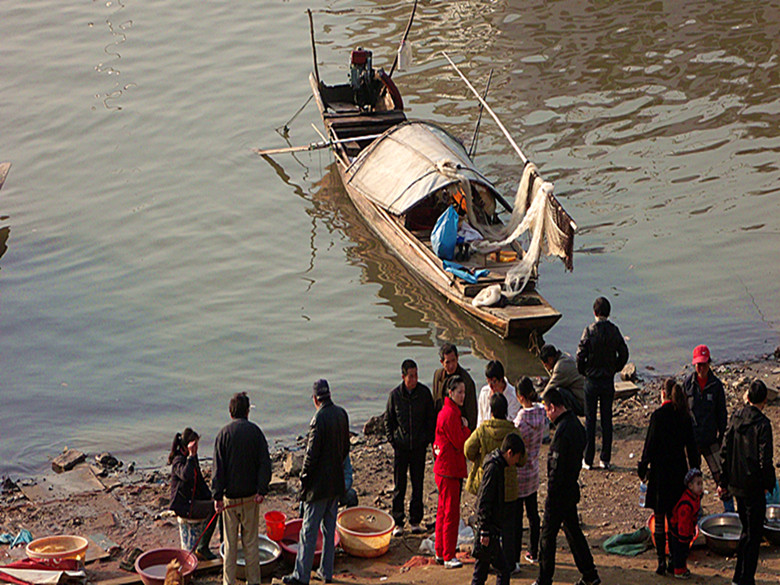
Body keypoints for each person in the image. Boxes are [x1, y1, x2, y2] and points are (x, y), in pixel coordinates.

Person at [284, 380, 350, 585]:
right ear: (329, 395)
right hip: (336, 483)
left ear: (315, 399)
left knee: (309, 531)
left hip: (319, 486)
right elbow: (346, 450)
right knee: (330, 531)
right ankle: (326, 572)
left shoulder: (318, 419)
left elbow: (310, 456)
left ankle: (301, 576)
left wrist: (304, 479)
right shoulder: (341, 414)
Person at [534, 388, 600, 585]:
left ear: (553, 407)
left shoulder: (562, 433)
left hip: (559, 493)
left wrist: (550, 496)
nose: (546, 413)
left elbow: (555, 468)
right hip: (571, 488)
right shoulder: (577, 427)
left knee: (547, 537)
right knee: (573, 533)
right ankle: (590, 575)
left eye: (547, 410)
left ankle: (544, 579)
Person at [637, 379, 700, 575]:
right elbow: (692, 448)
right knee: (675, 519)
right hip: (678, 473)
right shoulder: (684, 416)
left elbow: (649, 446)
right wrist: (696, 473)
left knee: (659, 517)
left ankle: (660, 563)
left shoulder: (658, 416)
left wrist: (642, 469)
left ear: (662, 393)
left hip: (659, 473)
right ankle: (674, 560)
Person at [719, 379, 776, 585]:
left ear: (748, 398)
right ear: (763, 400)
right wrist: (769, 484)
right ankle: (746, 578)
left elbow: (725, 452)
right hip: (753, 486)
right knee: (753, 535)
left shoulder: (735, 418)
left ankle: (738, 577)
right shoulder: (763, 425)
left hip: (737, 484)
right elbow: (764, 460)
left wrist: (723, 481)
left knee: (746, 530)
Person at [212, 392, 272, 585]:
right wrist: (262, 490)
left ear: (231, 413)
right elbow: (265, 463)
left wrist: (217, 497)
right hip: (250, 499)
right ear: (247, 412)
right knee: (251, 544)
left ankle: (229, 583)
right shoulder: (256, 433)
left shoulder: (223, 435)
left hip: (230, 499)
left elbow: (217, 469)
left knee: (229, 546)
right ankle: (253, 582)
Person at [465, 393, 525, 571]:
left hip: (489, 486)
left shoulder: (483, 430)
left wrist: (480, 458)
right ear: (506, 411)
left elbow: (468, 450)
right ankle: (511, 563)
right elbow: (522, 460)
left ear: (491, 411)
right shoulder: (513, 431)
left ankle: (487, 560)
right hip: (510, 490)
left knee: (487, 525)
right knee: (509, 529)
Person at [576, 296, 629, 470]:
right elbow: (624, 352)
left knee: (590, 420)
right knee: (607, 419)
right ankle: (605, 458)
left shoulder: (589, 331)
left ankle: (588, 459)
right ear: (608, 313)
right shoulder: (614, 331)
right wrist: (615, 368)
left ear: (595, 313)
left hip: (591, 380)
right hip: (607, 380)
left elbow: (580, 355)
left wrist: (584, 371)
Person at [385, 359, 435, 536]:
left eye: (416, 375)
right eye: (411, 376)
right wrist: (394, 441)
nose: (414, 379)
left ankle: (415, 521)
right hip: (401, 448)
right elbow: (388, 421)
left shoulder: (424, 394)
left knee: (418, 484)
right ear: (403, 376)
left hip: (419, 447)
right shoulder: (395, 396)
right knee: (400, 485)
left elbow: (431, 420)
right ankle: (398, 522)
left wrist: (426, 439)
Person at [682, 344, 733, 511]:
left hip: (711, 440)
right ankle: (694, 513)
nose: (700, 368)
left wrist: (721, 439)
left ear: (709, 363)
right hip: (692, 441)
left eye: (703, 364)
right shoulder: (688, 384)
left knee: (722, 477)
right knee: (693, 481)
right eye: (698, 364)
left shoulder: (716, 386)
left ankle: (730, 511)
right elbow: (683, 412)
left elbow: (722, 414)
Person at [471, 433, 526, 585]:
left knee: (482, 572)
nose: (516, 462)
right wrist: (484, 530)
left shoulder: (496, 465)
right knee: (501, 570)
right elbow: (484, 500)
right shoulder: (494, 469)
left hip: (489, 528)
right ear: (510, 453)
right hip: (488, 529)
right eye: (516, 457)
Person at [433, 376, 472, 569]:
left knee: (443, 512)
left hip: (444, 469)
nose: (462, 396)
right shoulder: (450, 414)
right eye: (459, 392)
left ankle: (441, 551)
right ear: (451, 392)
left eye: (464, 392)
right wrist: (466, 429)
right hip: (449, 470)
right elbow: (460, 442)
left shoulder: (447, 412)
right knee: (450, 513)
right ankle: (448, 555)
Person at [167, 428, 217, 560]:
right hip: (182, 505)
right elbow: (186, 475)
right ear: (186, 447)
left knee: (217, 505)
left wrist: (211, 496)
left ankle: (221, 542)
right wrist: (191, 456)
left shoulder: (192, 459)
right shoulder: (178, 460)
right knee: (213, 509)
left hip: (191, 501)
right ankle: (202, 547)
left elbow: (199, 480)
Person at [513, 377, 545, 568]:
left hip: (519, 473)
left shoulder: (521, 421)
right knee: (533, 514)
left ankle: (515, 558)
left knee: (517, 519)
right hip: (533, 470)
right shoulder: (541, 414)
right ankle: (534, 551)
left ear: (520, 397)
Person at [432, 343, 478, 431]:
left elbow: (472, 413)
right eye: (447, 362)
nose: (451, 365)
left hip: (458, 430)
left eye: (453, 360)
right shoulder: (438, 376)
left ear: (457, 358)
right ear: (442, 362)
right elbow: (435, 403)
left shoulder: (466, 381)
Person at [668, 469, 703, 579]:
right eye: (698, 484)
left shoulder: (694, 498)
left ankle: (676, 568)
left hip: (684, 531)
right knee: (680, 553)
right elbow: (683, 523)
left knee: (679, 553)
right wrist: (684, 538)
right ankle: (679, 571)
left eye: (701, 483)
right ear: (690, 486)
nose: (701, 487)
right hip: (679, 533)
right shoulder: (686, 504)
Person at [539, 344, 585, 416]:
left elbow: (550, 388)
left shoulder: (560, 367)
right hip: (583, 396)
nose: (546, 367)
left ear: (550, 359)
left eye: (545, 365)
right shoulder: (565, 356)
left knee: (557, 391)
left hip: (582, 405)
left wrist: (538, 400)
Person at [477, 360, 521, 426]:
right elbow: (480, 420)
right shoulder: (484, 392)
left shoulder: (513, 396)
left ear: (501, 380)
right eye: (488, 381)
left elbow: (512, 423)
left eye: (494, 382)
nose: (491, 386)